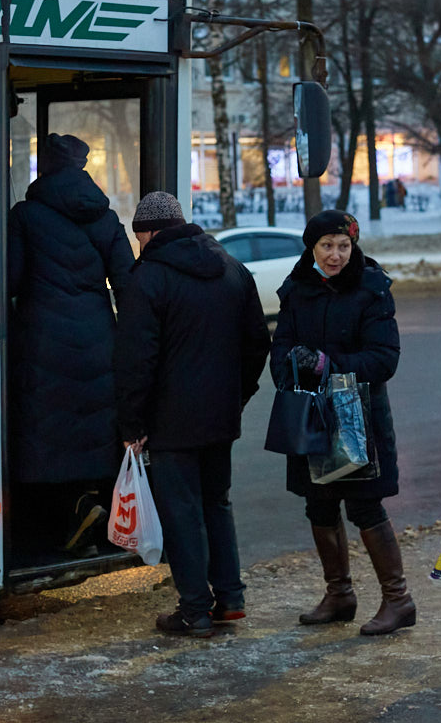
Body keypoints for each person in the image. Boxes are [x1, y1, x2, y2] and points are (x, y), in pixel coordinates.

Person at [114, 191, 270, 638]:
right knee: (216, 504)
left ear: (147, 232)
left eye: (139, 237)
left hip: (170, 422)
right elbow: (257, 342)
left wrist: (132, 424)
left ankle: (195, 610)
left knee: (182, 512)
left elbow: (135, 360)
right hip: (220, 417)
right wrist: (236, 396)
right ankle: (230, 600)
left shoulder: (148, 278)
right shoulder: (231, 268)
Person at [270, 210, 414, 635]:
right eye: (326, 246)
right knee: (318, 504)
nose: (335, 255)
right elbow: (281, 346)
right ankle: (339, 594)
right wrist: (289, 368)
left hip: (359, 417)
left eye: (343, 246)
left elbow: (384, 358)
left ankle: (398, 600)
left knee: (366, 505)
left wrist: (329, 365)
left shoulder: (371, 289)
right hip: (312, 415)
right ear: (311, 248)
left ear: (354, 247)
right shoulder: (296, 290)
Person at [8, 133, 135, 554]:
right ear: (81, 167)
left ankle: (63, 516)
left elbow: (10, 279)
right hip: (98, 336)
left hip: (42, 339)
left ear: (43, 167)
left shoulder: (25, 215)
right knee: (92, 426)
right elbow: (126, 283)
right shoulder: (105, 216)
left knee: (47, 430)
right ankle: (90, 504)